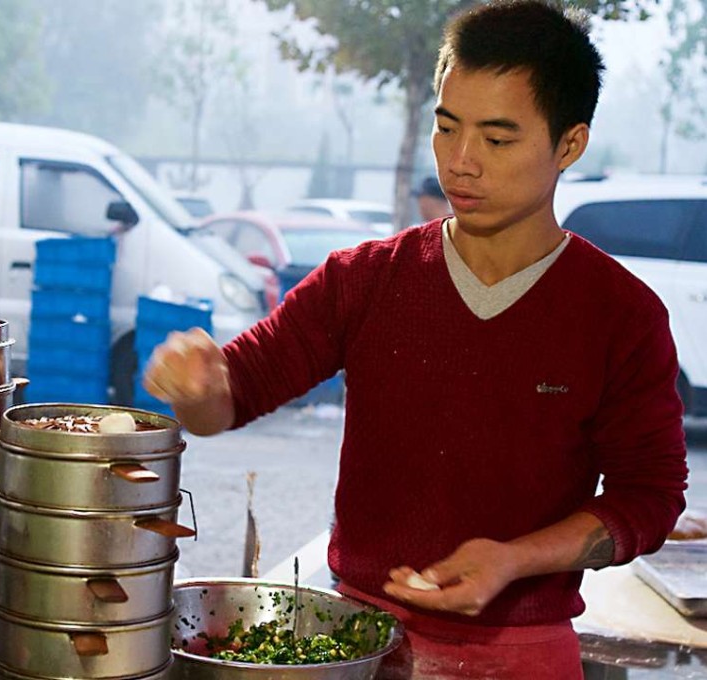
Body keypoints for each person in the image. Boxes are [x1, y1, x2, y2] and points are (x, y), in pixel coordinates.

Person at [143, 1, 688, 678]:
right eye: (446, 126)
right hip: (357, 644)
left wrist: (515, 558)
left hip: (525, 653)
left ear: (569, 144)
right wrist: (197, 388)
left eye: (497, 139)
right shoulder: (364, 280)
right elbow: (232, 397)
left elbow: (649, 497)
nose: (459, 163)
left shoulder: (620, 313)